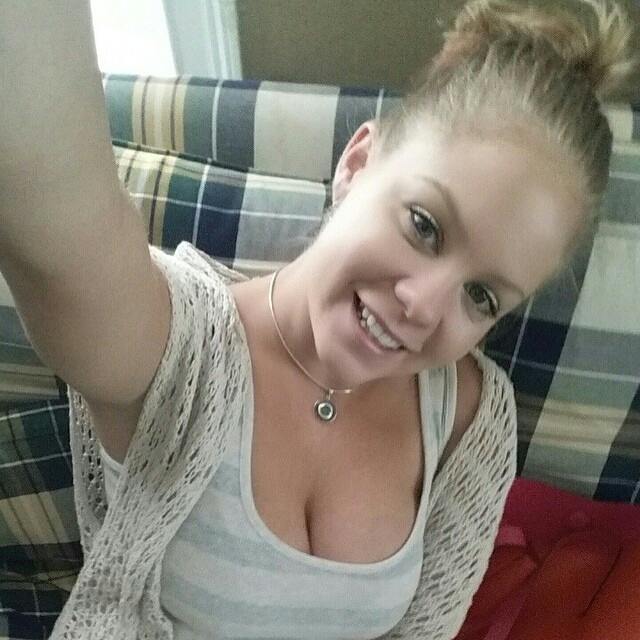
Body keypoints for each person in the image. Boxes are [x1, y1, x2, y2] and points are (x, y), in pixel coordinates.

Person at [0, 0, 633, 638]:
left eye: (482, 297)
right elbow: (55, 237)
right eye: (424, 225)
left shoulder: (471, 420)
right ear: (357, 165)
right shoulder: (177, 347)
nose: (423, 306)